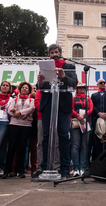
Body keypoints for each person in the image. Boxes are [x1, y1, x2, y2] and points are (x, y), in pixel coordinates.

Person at [36, 44, 77, 178]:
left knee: (64, 136)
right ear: (50, 54)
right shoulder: (46, 66)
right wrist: (40, 82)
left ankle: (65, 168)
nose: (54, 54)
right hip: (48, 104)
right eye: (52, 52)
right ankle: (45, 167)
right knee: (46, 136)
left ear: (60, 52)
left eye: (56, 52)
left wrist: (64, 76)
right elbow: (39, 86)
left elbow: (74, 83)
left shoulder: (69, 66)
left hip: (63, 104)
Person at [2, 81, 35, 179]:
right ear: (20, 89)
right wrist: (15, 113)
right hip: (14, 124)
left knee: (22, 147)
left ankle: (20, 171)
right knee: (11, 147)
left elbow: (32, 109)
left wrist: (19, 112)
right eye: (23, 88)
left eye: (26, 88)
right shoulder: (14, 99)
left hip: (26, 125)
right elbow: (9, 110)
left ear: (29, 90)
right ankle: (7, 170)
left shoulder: (31, 100)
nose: (24, 89)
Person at [70, 82, 93, 176]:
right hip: (75, 123)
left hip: (85, 122)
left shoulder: (88, 99)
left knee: (84, 146)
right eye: (80, 88)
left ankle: (82, 168)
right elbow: (70, 109)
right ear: (77, 89)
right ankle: (75, 168)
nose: (82, 89)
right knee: (75, 145)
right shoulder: (73, 99)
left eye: (83, 87)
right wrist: (78, 115)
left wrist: (83, 115)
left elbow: (91, 109)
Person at [90, 78, 106, 162]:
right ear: (97, 85)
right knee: (97, 140)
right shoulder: (94, 95)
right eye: (100, 83)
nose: (103, 84)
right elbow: (92, 106)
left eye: (104, 82)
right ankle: (98, 161)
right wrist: (99, 113)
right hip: (97, 119)